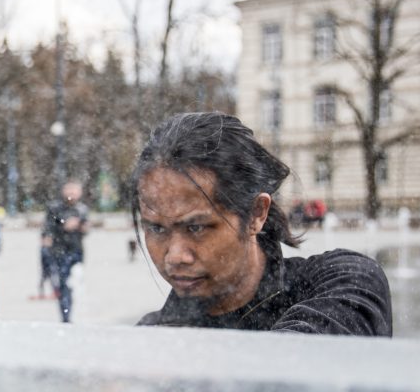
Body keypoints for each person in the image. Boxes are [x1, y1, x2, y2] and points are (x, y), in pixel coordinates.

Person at [133, 112, 392, 336]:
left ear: (256, 213)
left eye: (196, 227)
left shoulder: (344, 281)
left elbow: (296, 366)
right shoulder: (152, 336)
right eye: (156, 228)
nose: (175, 257)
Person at [42, 181, 89, 323]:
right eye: (69, 190)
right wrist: (63, 226)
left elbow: (86, 229)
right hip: (59, 251)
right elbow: (48, 228)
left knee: (74, 283)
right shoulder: (54, 208)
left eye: (74, 191)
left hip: (76, 251)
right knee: (63, 284)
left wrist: (81, 226)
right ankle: (66, 316)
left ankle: (71, 312)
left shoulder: (82, 209)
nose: (71, 194)